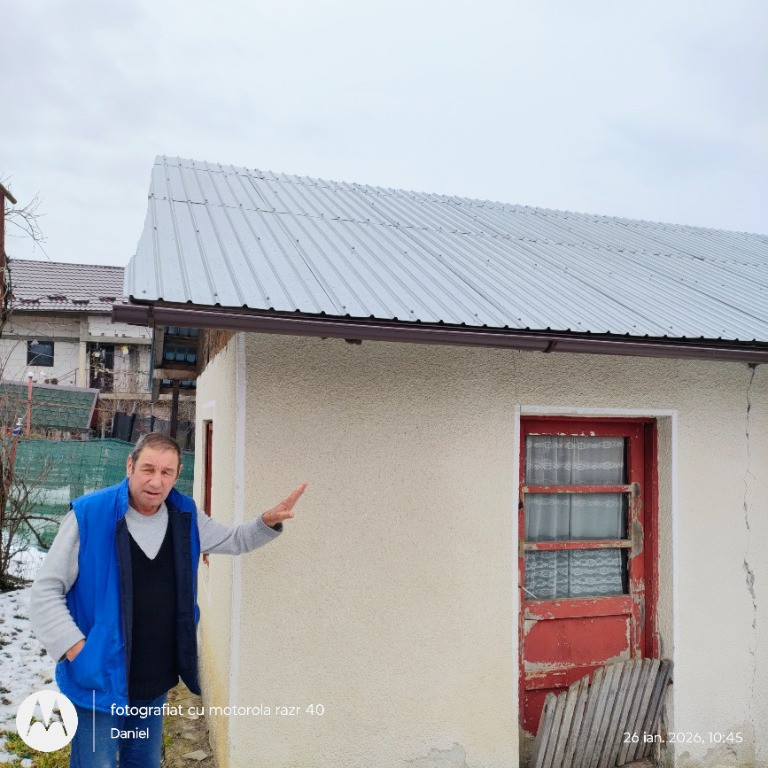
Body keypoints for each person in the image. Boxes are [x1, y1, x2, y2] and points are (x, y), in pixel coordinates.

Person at [29, 432, 307, 768]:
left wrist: (266, 522)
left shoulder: (184, 515)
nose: (156, 481)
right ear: (130, 466)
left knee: (143, 762)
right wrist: (77, 650)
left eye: (166, 472)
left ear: (176, 476)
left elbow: (233, 539)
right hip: (99, 679)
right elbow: (46, 591)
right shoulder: (90, 515)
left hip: (154, 679)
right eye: (148, 469)